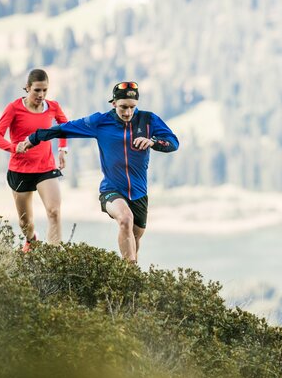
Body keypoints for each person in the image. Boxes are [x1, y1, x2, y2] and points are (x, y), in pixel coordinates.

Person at [16, 81, 179, 263]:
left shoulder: (148, 120)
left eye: (132, 107)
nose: (128, 112)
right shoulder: (100, 122)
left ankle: (129, 277)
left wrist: (153, 142)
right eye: (123, 107)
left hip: (139, 194)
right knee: (125, 219)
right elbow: (65, 128)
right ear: (114, 103)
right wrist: (34, 137)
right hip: (112, 190)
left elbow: (173, 142)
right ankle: (131, 276)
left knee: (135, 239)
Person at [0, 69, 69, 251]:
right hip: (20, 170)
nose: (41, 95)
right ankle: (31, 240)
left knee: (54, 212)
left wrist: (62, 149)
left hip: (45, 168)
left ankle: (54, 258)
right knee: (25, 222)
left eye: (45, 90)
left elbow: (65, 126)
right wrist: (14, 147)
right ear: (27, 88)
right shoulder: (14, 108)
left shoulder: (53, 107)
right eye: (37, 90)